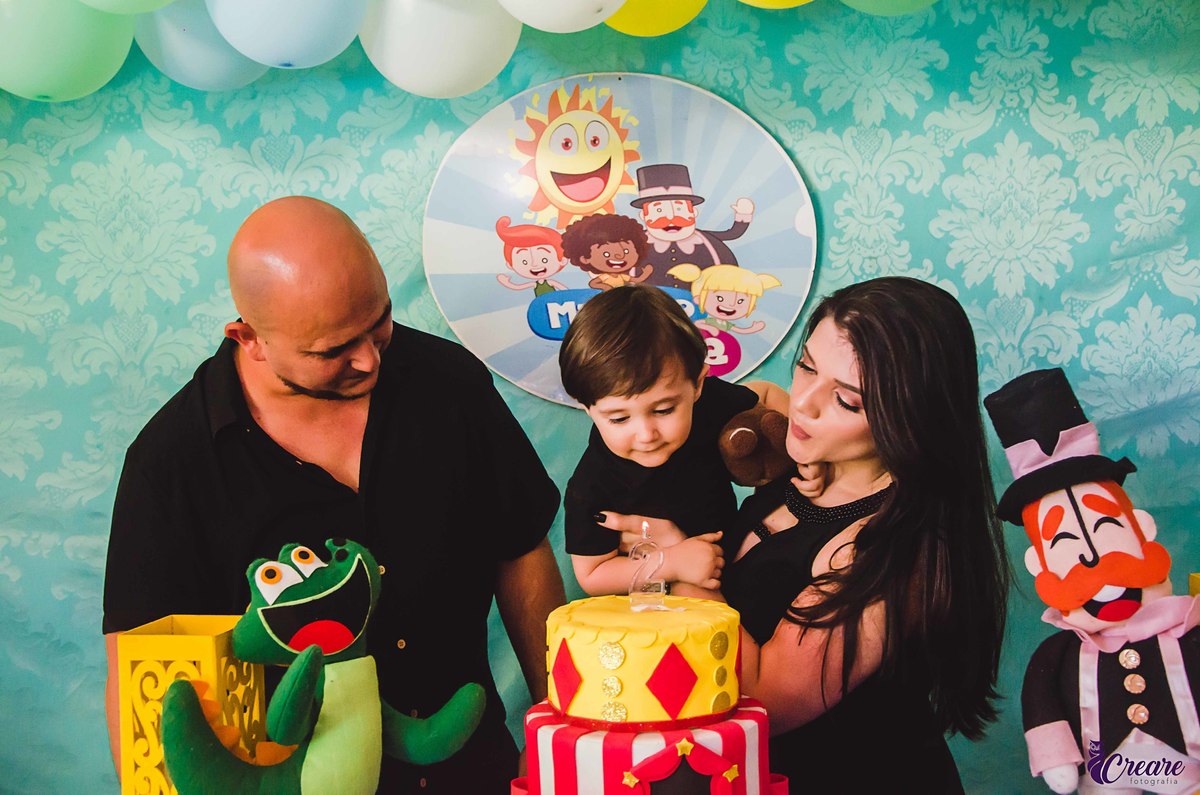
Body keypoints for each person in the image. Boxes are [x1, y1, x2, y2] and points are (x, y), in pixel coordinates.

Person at [102, 196, 565, 793]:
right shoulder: (172, 462)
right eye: (333, 350)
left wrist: (558, 732)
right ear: (249, 338)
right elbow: (140, 676)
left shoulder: (449, 382)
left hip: (474, 769)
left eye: (380, 323)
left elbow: (520, 551)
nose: (369, 360)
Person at [593, 277, 1009, 792]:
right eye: (808, 366)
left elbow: (765, 701)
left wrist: (681, 566)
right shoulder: (798, 468)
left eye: (847, 401)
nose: (804, 403)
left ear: (912, 417)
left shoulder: (892, 546)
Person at [558, 285, 790, 600]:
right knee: (691, 592)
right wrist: (671, 563)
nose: (646, 434)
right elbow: (593, 575)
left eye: (664, 410)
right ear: (588, 408)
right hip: (658, 595)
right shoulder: (593, 484)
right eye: (619, 418)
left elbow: (766, 393)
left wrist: (809, 456)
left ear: (697, 385)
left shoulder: (709, 404)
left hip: (734, 554)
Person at [560, 212, 652, 290]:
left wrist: (646, 273)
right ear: (584, 258)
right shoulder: (605, 277)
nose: (619, 256)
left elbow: (636, 280)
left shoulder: (622, 277)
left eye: (626, 251)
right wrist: (605, 287)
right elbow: (593, 283)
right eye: (606, 254)